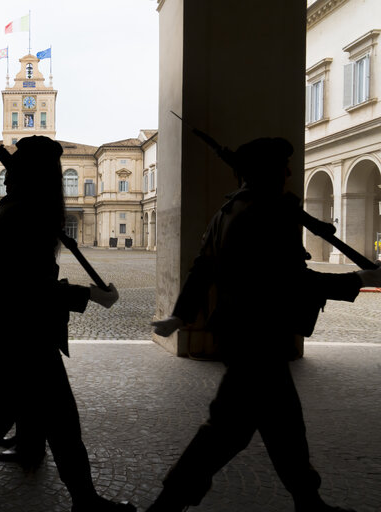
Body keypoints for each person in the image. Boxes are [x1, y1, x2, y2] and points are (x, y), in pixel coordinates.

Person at [148, 137, 381, 512]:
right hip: (258, 335)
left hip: (241, 333)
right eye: (282, 167)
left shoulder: (228, 210)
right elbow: (291, 281)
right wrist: (360, 280)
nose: (289, 172)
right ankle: (166, 505)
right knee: (228, 430)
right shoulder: (268, 213)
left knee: (282, 424)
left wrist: (181, 314)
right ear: (267, 171)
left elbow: (202, 267)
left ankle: (309, 500)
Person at [0, 135, 135, 512]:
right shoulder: (27, 212)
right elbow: (31, 286)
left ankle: (86, 501)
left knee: (57, 427)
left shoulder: (20, 209)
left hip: (26, 335)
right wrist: (94, 295)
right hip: (26, 337)